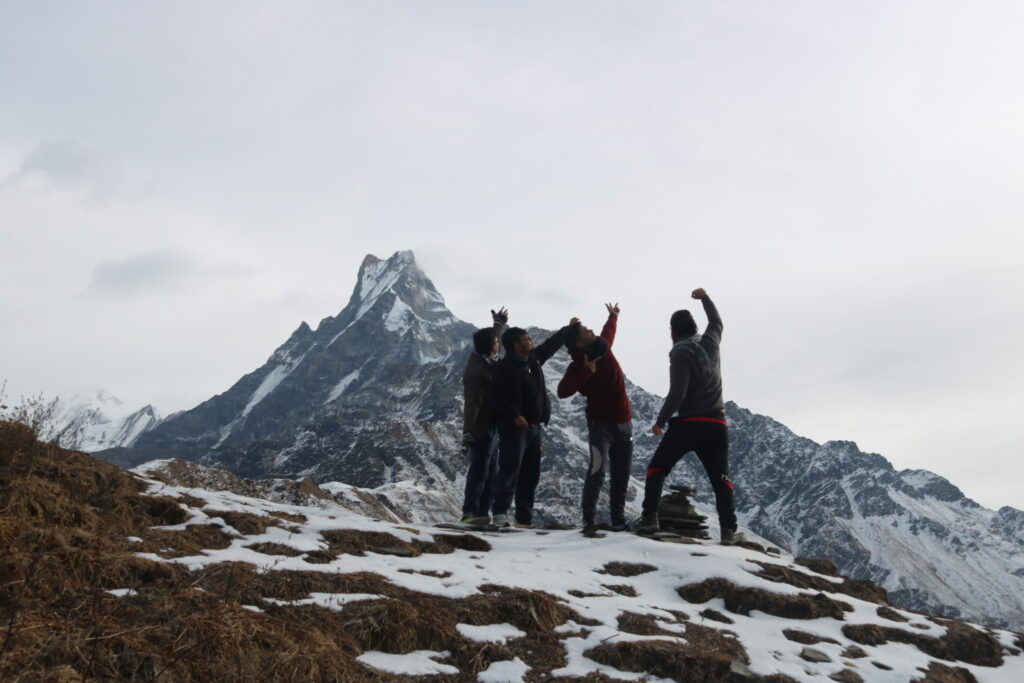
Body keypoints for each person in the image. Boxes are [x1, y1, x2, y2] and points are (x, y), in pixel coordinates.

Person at [637, 288, 745, 545]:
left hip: (688, 424)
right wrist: (705, 299)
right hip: (717, 424)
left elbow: (678, 393)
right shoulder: (711, 342)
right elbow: (717, 322)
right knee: (721, 480)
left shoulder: (679, 353)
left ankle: (650, 519)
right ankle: (729, 532)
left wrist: (660, 422)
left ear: (673, 332)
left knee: (657, 469)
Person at [489, 318, 577, 528]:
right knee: (510, 469)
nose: (531, 342)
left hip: (535, 427)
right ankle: (500, 513)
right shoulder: (505, 367)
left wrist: (568, 328)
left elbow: (550, 345)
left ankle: (524, 517)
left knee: (530, 474)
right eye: (527, 339)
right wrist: (514, 415)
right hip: (515, 428)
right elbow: (495, 396)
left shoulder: (533, 360)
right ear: (517, 346)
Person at [557, 303, 633, 534]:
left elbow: (608, 332)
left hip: (625, 424)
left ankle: (618, 521)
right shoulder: (577, 366)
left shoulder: (603, 347)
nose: (591, 331)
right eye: (585, 331)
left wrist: (613, 316)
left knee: (621, 476)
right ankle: (588, 521)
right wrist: (585, 372)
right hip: (601, 426)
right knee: (597, 471)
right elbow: (562, 391)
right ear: (579, 343)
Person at [459, 308, 509, 528]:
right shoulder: (477, 371)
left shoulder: (486, 360)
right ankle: (470, 511)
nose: (499, 344)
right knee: (480, 470)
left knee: (491, 471)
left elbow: (493, 338)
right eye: (496, 343)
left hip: (493, 426)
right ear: (492, 347)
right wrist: (468, 432)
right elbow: (472, 404)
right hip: (481, 428)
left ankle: (482, 512)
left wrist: (499, 323)